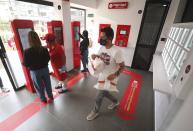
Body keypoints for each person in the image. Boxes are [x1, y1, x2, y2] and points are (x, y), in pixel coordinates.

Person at [86, 27, 125, 121]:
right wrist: (95, 56)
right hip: (102, 75)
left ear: (110, 38)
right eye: (100, 37)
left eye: (103, 37)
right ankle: (116, 102)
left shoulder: (117, 51)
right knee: (105, 93)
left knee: (98, 96)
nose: (100, 39)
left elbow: (123, 66)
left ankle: (95, 112)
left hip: (110, 77)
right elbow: (101, 57)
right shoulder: (102, 47)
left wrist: (115, 75)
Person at [23, 31, 53, 103]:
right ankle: (50, 95)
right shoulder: (44, 49)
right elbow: (48, 58)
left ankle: (43, 99)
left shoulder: (27, 51)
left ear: (29, 40)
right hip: (45, 69)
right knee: (48, 83)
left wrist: (23, 63)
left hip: (35, 72)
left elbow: (26, 64)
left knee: (39, 87)